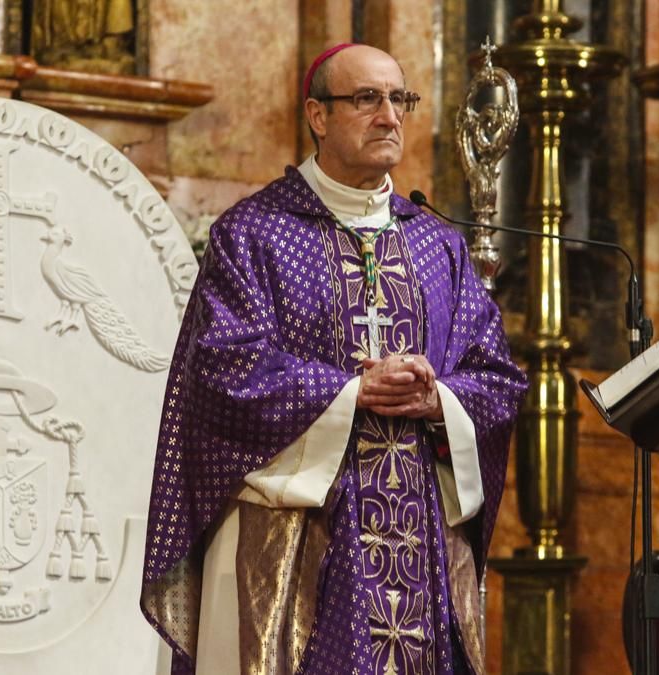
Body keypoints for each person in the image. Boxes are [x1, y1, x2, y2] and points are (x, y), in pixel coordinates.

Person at [139, 43, 527, 675]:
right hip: (295, 542)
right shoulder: (255, 233)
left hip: (419, 548)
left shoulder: (438, 247)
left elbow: (497, 380)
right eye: (366, 99)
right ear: (317, 115)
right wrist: (353, 391)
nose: (389, 117)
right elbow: (223, 369)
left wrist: (438, 399)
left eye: (399, 98)